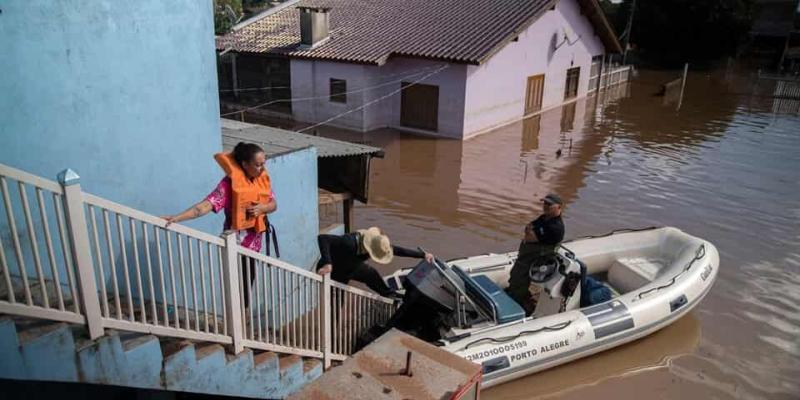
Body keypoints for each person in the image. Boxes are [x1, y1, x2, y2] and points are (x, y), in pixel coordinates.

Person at [161, 142, 277, 308]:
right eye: (258, 165)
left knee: (246, 288)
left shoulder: (261, 181)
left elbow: (273, 204)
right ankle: (237, 320)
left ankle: (243, 318)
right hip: (234, 244)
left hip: (254, 247)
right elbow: (203, 207)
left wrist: (262, 208)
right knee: (235, 289)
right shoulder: (229, 184)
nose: (262, 169)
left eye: (263, 164)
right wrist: (177, 218)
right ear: (245, 164)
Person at [317, 227, 434, 297]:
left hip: (353, 266)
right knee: (337, 303)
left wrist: (423, 255)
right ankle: (331, 330)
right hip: (335, 270)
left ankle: (389, 295)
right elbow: (323, 238)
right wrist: (328, 263)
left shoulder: (376, 242)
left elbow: (398, 250)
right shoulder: (349, 242)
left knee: (371, 274)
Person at [506, 193, 565, 313]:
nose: (545, 206)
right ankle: (517, 295)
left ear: (559, 207)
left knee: (519, 280)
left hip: (535, 259)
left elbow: (529, 237)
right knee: (515, 277)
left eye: (549, 204)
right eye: (545, 203)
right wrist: (531, 233)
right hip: (526, 256)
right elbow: (528, 228)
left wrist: (531, 233)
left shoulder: (556, 227)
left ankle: (518, 305)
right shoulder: (544, 218)